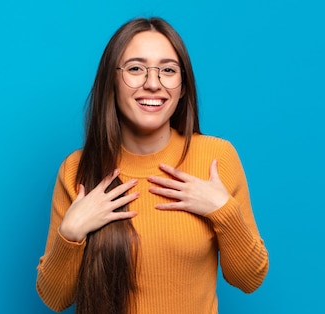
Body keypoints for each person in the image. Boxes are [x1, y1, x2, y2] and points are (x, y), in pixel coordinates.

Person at [35, 17, 269, 314]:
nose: (153, 83)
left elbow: (249, 279)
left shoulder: (216, 157)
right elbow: (55, 299)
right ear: (112, 81)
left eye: (168, 70)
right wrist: (71, 233)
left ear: (183, 86)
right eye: (135, 69)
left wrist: (222, 210)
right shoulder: (77, 169)